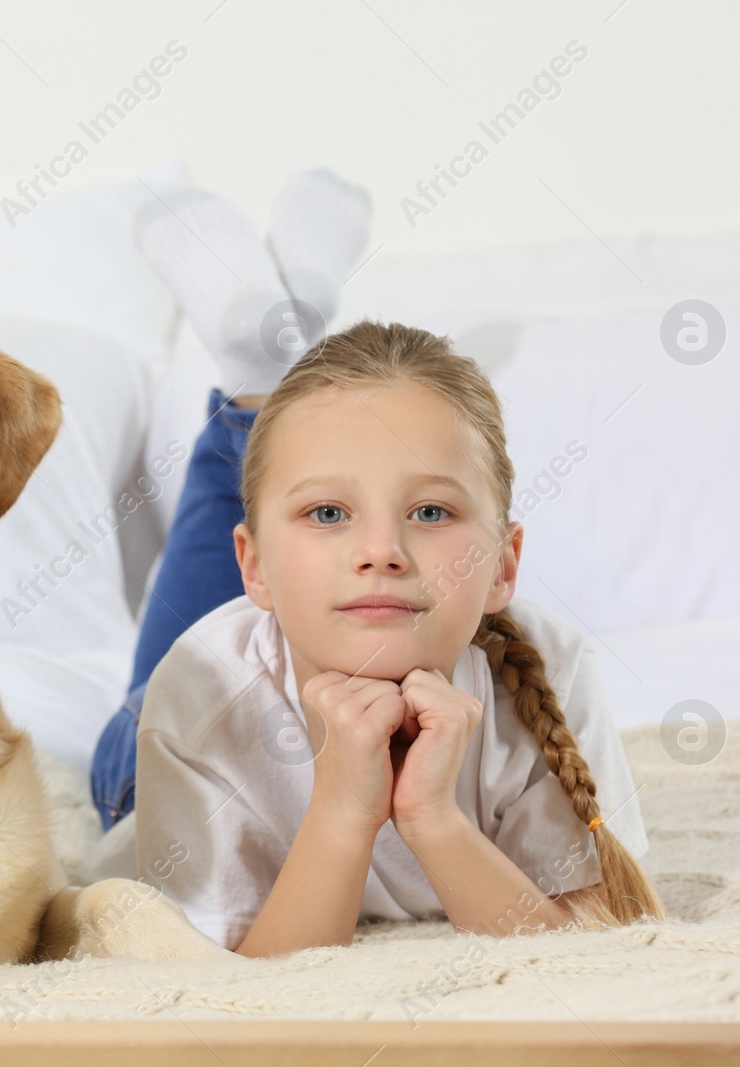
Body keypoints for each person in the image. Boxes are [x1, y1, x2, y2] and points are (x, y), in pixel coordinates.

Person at [87, 173, 660, 957]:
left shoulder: (554, 670)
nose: (382, 550)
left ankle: (263, 375)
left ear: (504, 565)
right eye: (330, 513)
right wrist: (342, 812)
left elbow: (594, 945)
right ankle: (250, 387)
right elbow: (237, 986)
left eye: (430, 512)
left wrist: (435, 819)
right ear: (250, 570)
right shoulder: (203, 688)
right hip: (155, 747)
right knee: (129, 727)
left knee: (296, 492)